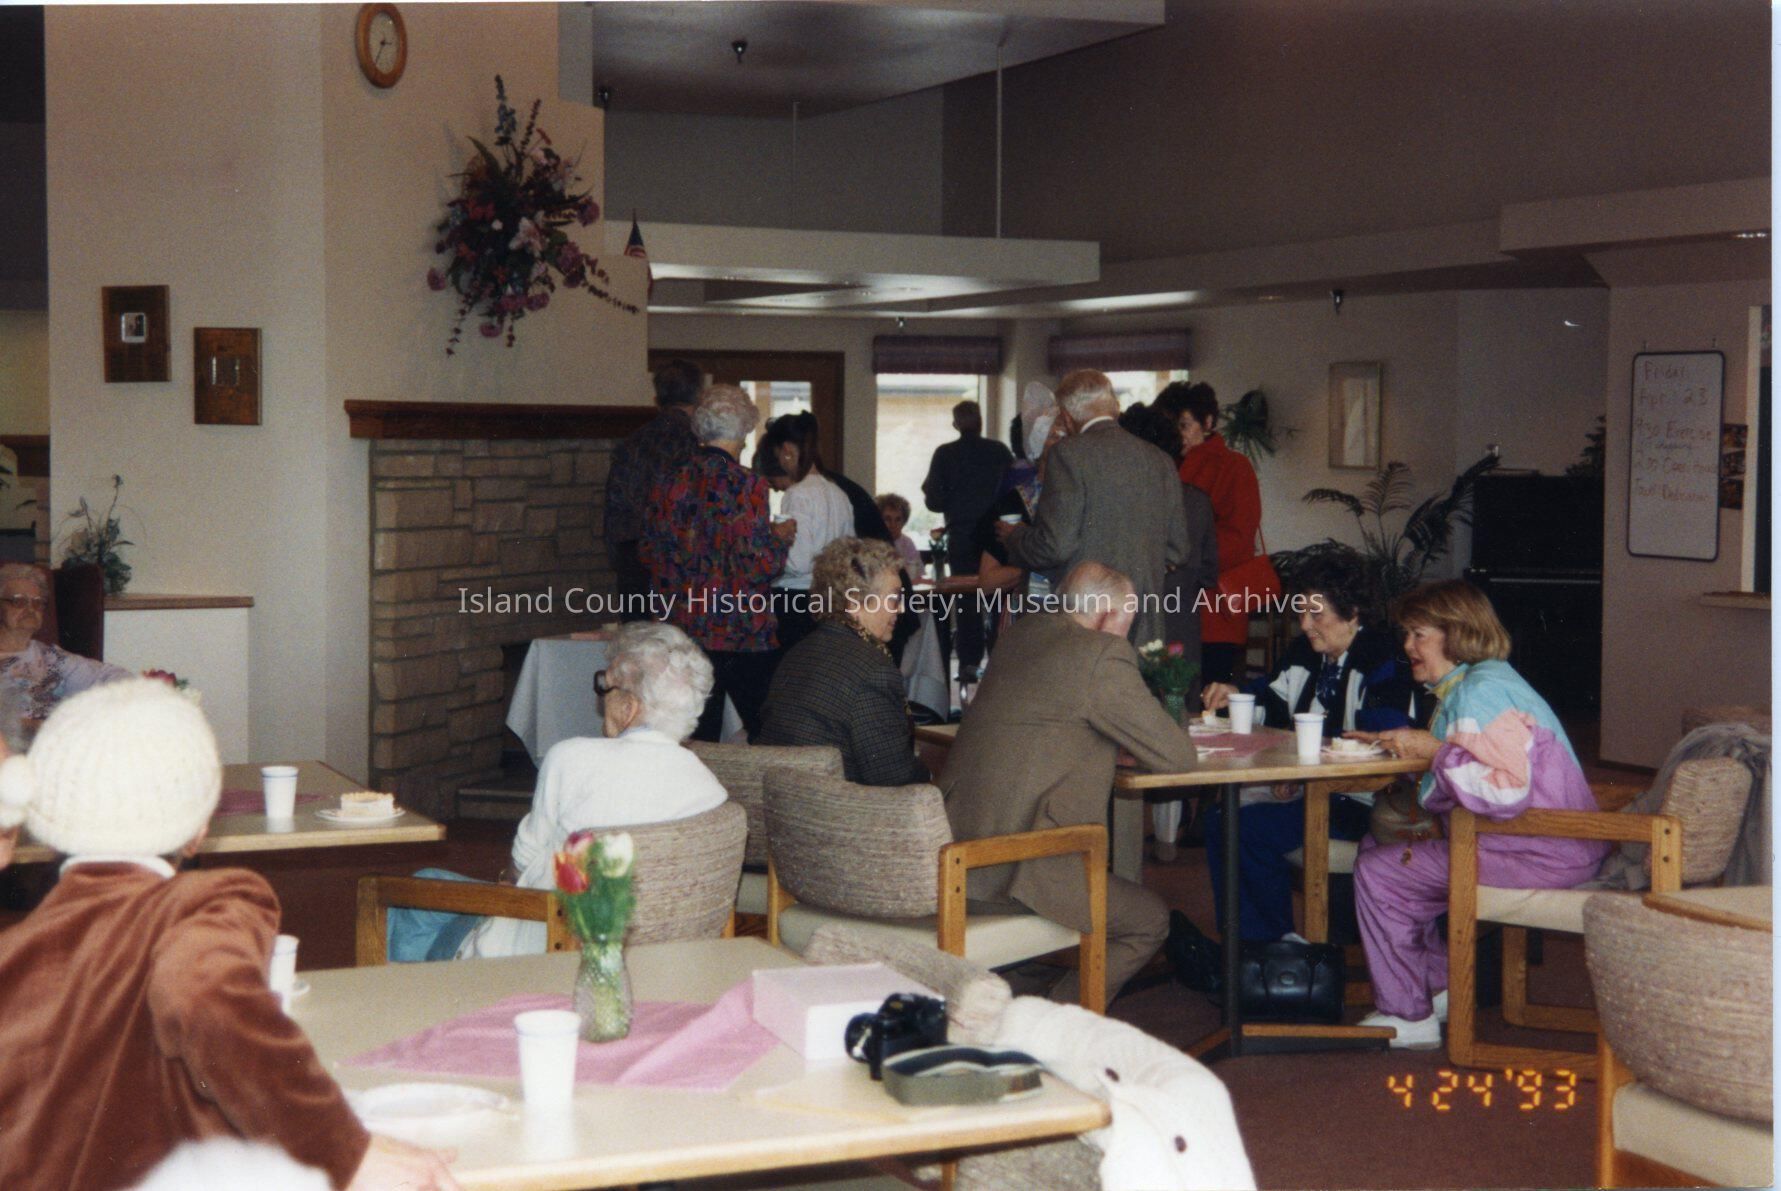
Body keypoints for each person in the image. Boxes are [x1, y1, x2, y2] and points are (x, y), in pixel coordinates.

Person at [0, 679, 458, 1191]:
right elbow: (203, 995)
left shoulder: (14, 951)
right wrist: (341, 1149)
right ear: (200, 827)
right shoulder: (206, 905)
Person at [1348, 580, 1609, 1049]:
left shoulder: (1479, 694)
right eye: (1407, 634)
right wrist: (1414, 748)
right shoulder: (1486, 681)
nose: (1408, 646)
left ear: (1456, 634)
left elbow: (1504, 792)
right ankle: (1438, 988)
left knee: (1379, 872)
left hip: (1538, 851)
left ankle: (1408, 1015)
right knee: (1381, 849)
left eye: (1419, 635)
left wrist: (1434, 754)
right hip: (1551, 845)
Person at [940, 562, 1199, 1004]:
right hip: (1021, 871)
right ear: (1105, 615)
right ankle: (1051, 1024)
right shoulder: (1101, 654)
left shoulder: (1020, 635)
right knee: (1150, 921)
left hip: (956, 857)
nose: (1128, 634)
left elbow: (1055, 723)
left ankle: (1012, 1007)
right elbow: (1178, 757)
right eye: (1128, 620)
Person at [458, 622, 728, 958]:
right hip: (661, 962)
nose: (600, 700)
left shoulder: (571, 758)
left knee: (416, 906)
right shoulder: (710, 788)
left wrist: (505, 883)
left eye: (606, 686)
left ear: (629, 708)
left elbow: (521, 865)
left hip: (542, 951)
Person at [1196, 552, 1422, 942]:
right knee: (1220, 818)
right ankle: (1249, 947)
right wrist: (1234, 694)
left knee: (1245, 828)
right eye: (1301, 612)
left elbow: (1384, 738)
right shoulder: (1305, 654)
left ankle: (1271, 948)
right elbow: (1269, 700)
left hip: (1361, 799)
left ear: (1352, 613)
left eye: (1315, 614)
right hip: (1312, 789)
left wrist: (1303, 772)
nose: (1304, 624)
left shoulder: (1384, 659)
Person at [639, 385, 794, 741]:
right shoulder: (747, 484)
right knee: (768, 731)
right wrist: (779, 538)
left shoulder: (668, 481)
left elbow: (650, 551)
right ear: (744, 430)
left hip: (683, 627)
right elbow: (759, 564)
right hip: (740, 630)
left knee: (695, 733)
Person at [998, 370, 1189, 647]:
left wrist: (1015, 537)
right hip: (1143, 618)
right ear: (1115, 407)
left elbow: (1055, 546)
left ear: (1066, 417)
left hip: (1087, 618)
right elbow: (1178, 549)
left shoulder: (1068, 454)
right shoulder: (1160, 460)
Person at [1116, 402, 1220, 863]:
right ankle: (1171, 833)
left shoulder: (1123, 500)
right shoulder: (1196, 500)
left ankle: (1126, 840)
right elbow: (1210, 571)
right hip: (1180, 623)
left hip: (1128, 622)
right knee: (1174, 716)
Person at [756, 538, 927, 787]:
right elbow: (894, 778)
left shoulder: (797, 654)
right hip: (839, 806)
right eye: (893, 598)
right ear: (855, 603)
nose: (900, 609)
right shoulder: (873, 670)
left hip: (783, 800)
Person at [1156, 381, 1264, 684]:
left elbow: (1239, 539)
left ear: (1207, 423)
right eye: (1172, 425)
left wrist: (1183, 558)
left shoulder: (1234, 466)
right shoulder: (1164, 464)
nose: (1178, 433)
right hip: (1173, 604)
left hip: (1215, 607)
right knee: (1172, 693)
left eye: (1184, 425)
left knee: (1210, 696)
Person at [603, 358, 702, 620]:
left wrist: (620, 558)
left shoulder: (631, 443)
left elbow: (615, 506)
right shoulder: (697, 444)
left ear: (657, 399)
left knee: (638, 635)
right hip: (679, 556)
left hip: (633, 553)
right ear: (698, 397)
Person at [922, 400, 1012, 682]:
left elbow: (934, 501)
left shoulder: (945, 454)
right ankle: (1001, 669)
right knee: (999, 602)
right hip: (997, 538)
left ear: (955, 424)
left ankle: (968, 669)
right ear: (981, 421)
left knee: (967, 607)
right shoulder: (999, 451)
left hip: (962, 539)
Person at [0, 562, 129, 743]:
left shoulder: (52, 658)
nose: (30, 609)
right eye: (19, 601)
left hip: (59, 743)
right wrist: (28, 726)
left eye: (38, 603)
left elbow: (114, 677)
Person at [757, 414, 854, 653]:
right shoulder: (838, 493)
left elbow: (798, 561)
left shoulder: (797, 494)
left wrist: (771, 543)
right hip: (829, 598)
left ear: (787, 451)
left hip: (795, 601)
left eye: (778, 455)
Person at [875, 493, 925, 582]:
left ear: (904, 522)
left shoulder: (907, 543)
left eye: (898, 519)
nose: (893, 525)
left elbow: (919, 574)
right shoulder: (873, 543)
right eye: (887, 519)